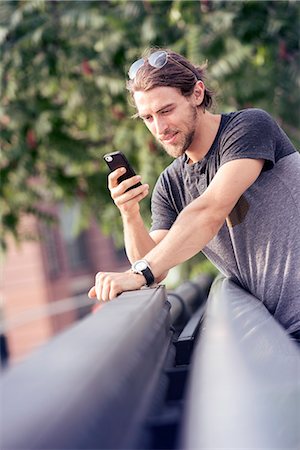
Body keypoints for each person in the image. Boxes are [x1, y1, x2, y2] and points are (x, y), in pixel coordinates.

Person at [88, 48, 300, 341]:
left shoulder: (248, 127)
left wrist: (138, 274)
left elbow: (210, 210)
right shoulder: (171, 184)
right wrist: (130, 213)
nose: (159, 128)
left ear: (197, 94)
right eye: (148, 118)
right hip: (280, 337)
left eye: (166, 111)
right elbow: (154, 264)